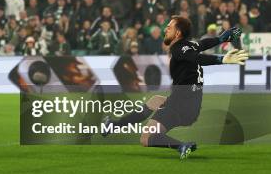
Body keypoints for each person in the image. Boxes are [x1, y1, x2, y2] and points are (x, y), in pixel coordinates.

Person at [102, 17, 248, 159]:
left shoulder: (178, 49)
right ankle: (114, 126)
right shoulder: (189, 45)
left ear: (177, 33)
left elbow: (196, 58)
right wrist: (221, 39)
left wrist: (221, 59)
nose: (166, 29)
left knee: (146, 138)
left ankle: (182, 146)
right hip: (190, 104)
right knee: (155, 101)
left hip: (179, 104)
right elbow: (202, 44)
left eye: (169, 27)